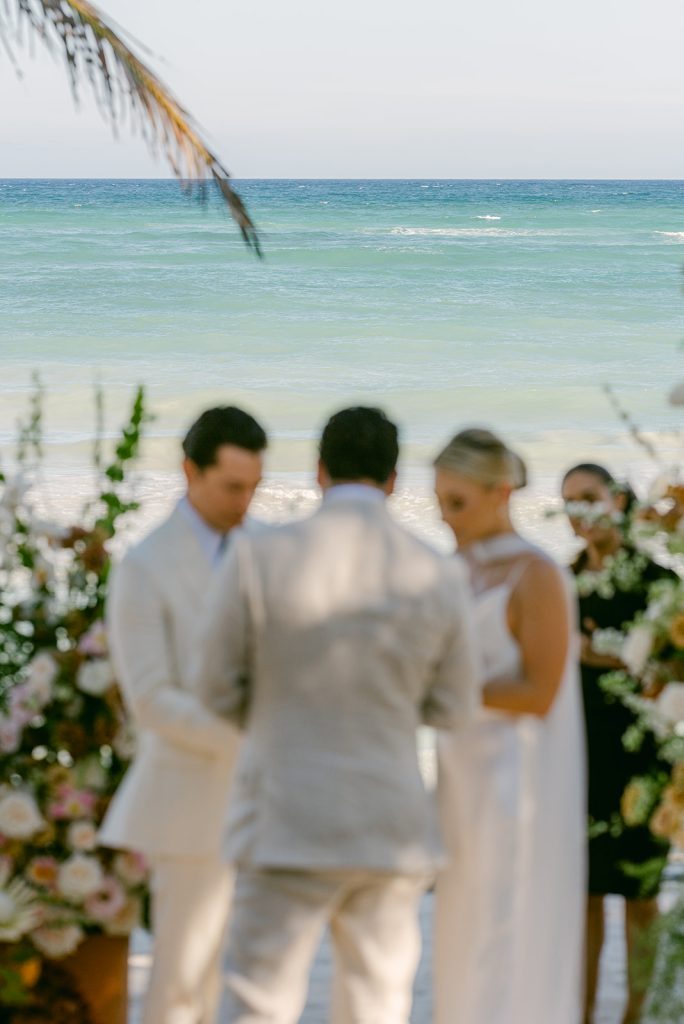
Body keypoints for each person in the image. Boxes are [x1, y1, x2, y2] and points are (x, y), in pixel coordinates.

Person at [192, 406, 479, 1024]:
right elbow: (456, 708)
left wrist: (276, 713)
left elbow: (212, 687)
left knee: (257, 1004)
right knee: (377, 1004)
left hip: (283, 815)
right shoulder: (439, 572)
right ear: (396, 479)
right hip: (389, 822)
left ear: (319, 470)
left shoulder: (256, 555)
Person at [100, 406, 267, 1024]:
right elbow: (151, 700)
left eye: (254, 488)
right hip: (190, 802)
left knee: (251, 979)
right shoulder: (144, 566)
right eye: (231, 487)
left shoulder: (266, 548)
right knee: (181, 985)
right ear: (189, 471)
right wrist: (250, 740)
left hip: (266, 802)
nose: (244, 502)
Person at [432, 428, 585, 1024]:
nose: (446, 518)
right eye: (441, 501)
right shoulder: (453, 568)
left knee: (507, 921)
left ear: (500, 493)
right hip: (458, 774)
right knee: (462, 924)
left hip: (515, 781)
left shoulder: (538, 575)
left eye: (458, 502)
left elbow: (540, 694)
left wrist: (443, 690)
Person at [562, 462, 672, 1024]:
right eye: (569, 501)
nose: (579, 511)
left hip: (643, 760)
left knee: (640, 899)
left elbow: (672, 675)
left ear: (620, 501)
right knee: (581, 901)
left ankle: (638, 1016)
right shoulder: (560, 583)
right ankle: (579, 1016)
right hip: (575, 759)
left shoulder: (662, 588)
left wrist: (599, 654)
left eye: (589, 497)